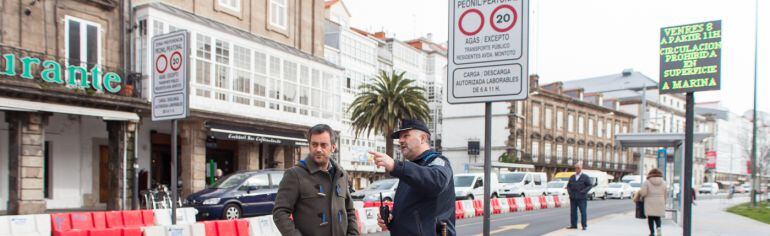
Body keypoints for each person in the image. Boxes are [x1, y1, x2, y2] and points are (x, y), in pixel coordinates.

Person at [369, 119, 456, 235]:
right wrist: (391, 220)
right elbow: (415, 214)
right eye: (400, 137)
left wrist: (395, 165)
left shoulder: (438, 161)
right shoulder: (409, 169)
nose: (400, 141)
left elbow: (437, 181)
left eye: (406, 136)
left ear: (423, 138)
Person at [272, 124, 359, 236]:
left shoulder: (341, 175)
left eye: (323, 145)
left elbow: (349, 210)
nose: (318, 149)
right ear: (309, 146)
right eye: (314, 144)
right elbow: (280, 213)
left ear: (333, 147)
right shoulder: (294, 174)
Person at [633, 169, 667, 236]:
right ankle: (659, 228)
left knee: (650, 218)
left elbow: (643, 193)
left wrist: (640, 192)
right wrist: (664, 201)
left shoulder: (647, 182)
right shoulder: (663, 182)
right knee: (658, 217)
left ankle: (652, 233)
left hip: (649, 202)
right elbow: (665, 194)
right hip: (660, 201)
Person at [566, 163, 592, 230]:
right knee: (573, 212)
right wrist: (570, 193)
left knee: (583, 212)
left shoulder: (585, 177)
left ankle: (584, 226)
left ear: (581, 168)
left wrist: (583, 191)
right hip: (573, 198)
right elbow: (568, 186)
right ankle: (573, 225)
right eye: (576, 168)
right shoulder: (572, 177)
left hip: (582, 198)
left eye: (578, 168)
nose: (577, 169)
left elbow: (590, 185)